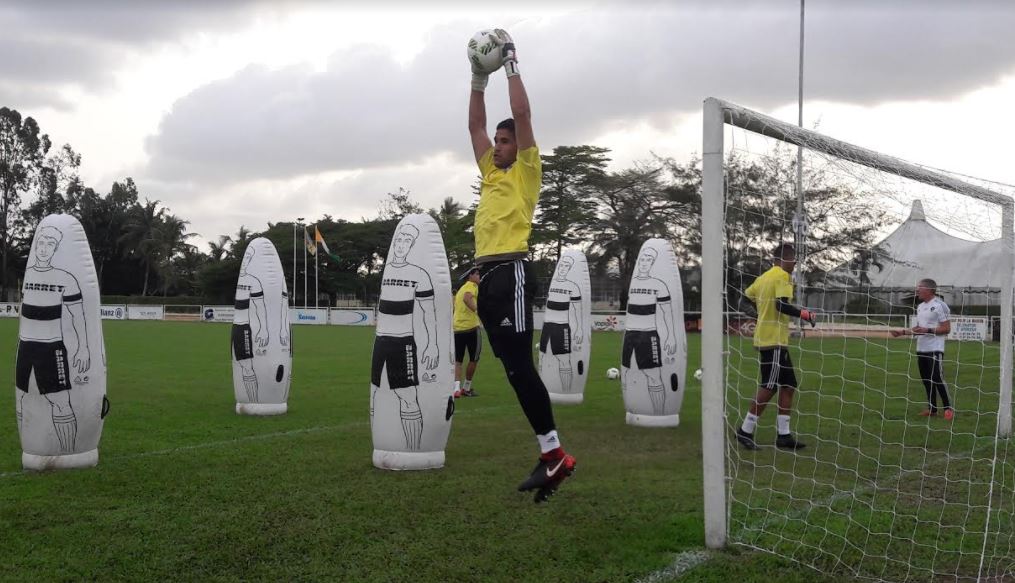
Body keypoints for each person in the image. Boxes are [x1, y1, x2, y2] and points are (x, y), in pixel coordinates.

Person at [468, 28, 576, 502]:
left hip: (511, 271)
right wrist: (476, 80)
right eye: (497, 140)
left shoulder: (527, 171)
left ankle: (555, 455)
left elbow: (525, 113)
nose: (497, 144)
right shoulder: (490, 170)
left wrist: (510, 64)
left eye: (504, 140)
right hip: (486, 273)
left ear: (519, 146)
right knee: (512, 369)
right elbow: (473, 128)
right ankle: (551, 456)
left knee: (521, 365)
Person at [16, 226, 91, 453]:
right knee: (21, 397)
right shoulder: (28, 277)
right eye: (41, 242)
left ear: (55, 249)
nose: (44, 248)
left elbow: (78, 315)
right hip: (25, 346)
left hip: (51, 348)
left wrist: (84, 348)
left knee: (60, 401)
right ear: (35, 245)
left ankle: (69, 453)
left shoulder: (65, 279)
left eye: (50, 244)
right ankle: (29, 446)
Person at [735, 242, 814, 451]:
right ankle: (745, 430)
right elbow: (781, 305)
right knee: (769, 386)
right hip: (773, 341)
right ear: (785, 259)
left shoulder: (763, 278)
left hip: (772, 340)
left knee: (788, 386)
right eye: (793, 258)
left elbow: (742, 302)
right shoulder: (782, 276)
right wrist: (804, 314)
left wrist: (758, 315)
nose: (795, 262)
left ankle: (784, 435)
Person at [369, 224, 439, 451]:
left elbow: (429, 312)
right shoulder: (387, 270)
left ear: (411, 245)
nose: (400, 245)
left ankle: (413, 450)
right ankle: (382, 443)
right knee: (376, 392)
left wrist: (433, 346)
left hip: (403, 342)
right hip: (380, 342)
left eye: (406, 241)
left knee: (408, 395)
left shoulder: (419, 274)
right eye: (398, 240)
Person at [622, 247, 677, 413]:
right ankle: (632, 409)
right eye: (642, 260)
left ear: (652, 263)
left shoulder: (659, 285)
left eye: (648, 260)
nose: (644, 263)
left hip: (648, 335)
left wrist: (671, 337)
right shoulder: (633, 284)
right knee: (625, 373)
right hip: (629, 334)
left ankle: (658, 413)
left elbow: (667, 313)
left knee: (653, 375)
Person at [891, 278, 953, 420]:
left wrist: (929, 330)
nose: (917, 290)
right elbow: (919, 328)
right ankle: (932, 409)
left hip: (935, 348)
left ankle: (948, 408)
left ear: (929, 289)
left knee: (937, 378)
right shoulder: (920, 307)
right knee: (926, 379)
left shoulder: (940, 305)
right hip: (921, 348)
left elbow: (946, 328)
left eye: (920, 287)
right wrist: (903, 332)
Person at [540, 255, 585, 394]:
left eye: (567, 266)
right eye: (562, 265)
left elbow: (577, 310)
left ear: (570, 268)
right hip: (547, 326)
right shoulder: (553, 285)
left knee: (564, 359)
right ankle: (543, 388)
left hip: (561, 327)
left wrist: (579, 330)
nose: (563, 268)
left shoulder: (573, 287)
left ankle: (566, 390)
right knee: (542, 356)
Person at [453, 267, 482, 398]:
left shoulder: (460, 290)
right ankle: (466, 388)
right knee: (474, 358)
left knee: (458, 361)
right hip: (471, 328)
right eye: (477, 274)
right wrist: (477, 311)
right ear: (470, 276)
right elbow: (467, 298)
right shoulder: (472, 286)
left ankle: (456, 389)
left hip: (457, 329)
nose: (479, 276)